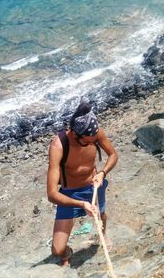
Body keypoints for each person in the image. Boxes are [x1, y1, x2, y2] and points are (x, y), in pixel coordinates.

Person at [47, 102, 118, 266]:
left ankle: (103, 234)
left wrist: (102, 173)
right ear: (75, 134)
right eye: (88, 142)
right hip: (70, 194)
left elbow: (113, 155)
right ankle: (67, 253)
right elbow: (52, 194)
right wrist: (81, 204)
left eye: (95, 140)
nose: (93, 142)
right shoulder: (58, 146)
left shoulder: (94, 133)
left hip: (94, 186)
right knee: (57, 250)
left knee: (100, 213)